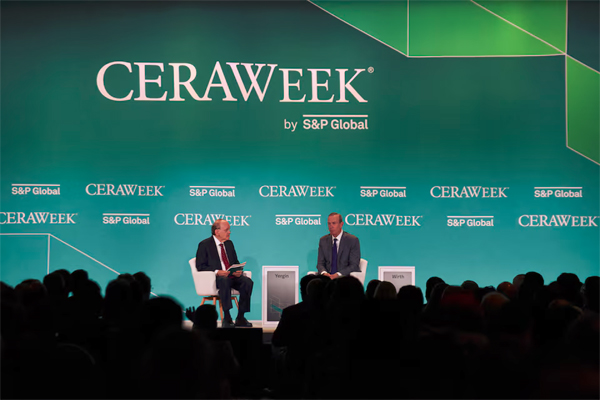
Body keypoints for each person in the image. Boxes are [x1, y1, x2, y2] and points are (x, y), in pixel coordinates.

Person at [195, 219, 253, 328]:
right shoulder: (204, 244)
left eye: (229, 230)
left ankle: (241, 317)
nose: (229, 232)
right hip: (216, 279)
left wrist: (237, 270)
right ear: (217, 232)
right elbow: (200, 266)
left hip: (231, 276)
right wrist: (217, 272)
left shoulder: (229, 244)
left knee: (247, 282)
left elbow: (235, 262)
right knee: (224, 280)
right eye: (226, 230)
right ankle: (227, 317)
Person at [316, 212, 360, 279]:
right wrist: (324, 273)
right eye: (329, 223)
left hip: (344, 278)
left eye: (334, 223)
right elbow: (320, 263)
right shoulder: (323, 241)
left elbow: (354, 265)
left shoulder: (352, 240)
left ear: (341, 224)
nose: (331, 226)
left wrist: (338, 274)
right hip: (327, 279)